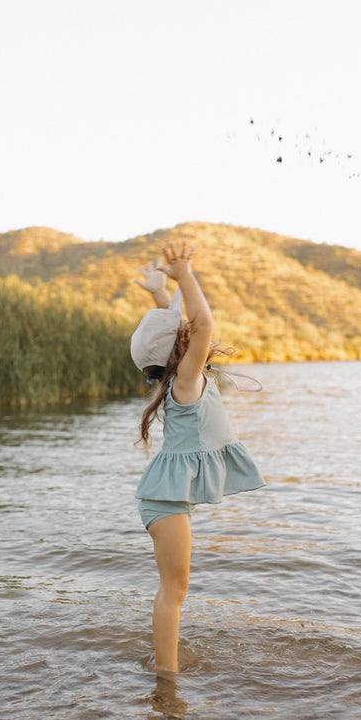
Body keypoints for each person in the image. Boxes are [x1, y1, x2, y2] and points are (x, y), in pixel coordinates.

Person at [131, 240, 265, 675]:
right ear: (181, 349)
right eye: (182, 334)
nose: (189, 330)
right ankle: (167, 681)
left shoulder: (179, 378)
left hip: (165, 498)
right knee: (175, 589)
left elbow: (183, 328)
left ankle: (164, 664)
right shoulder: (186, 380)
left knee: (175, 587)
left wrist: (158, 294)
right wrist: (184, 274)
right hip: (165, 501)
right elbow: (203, 323)